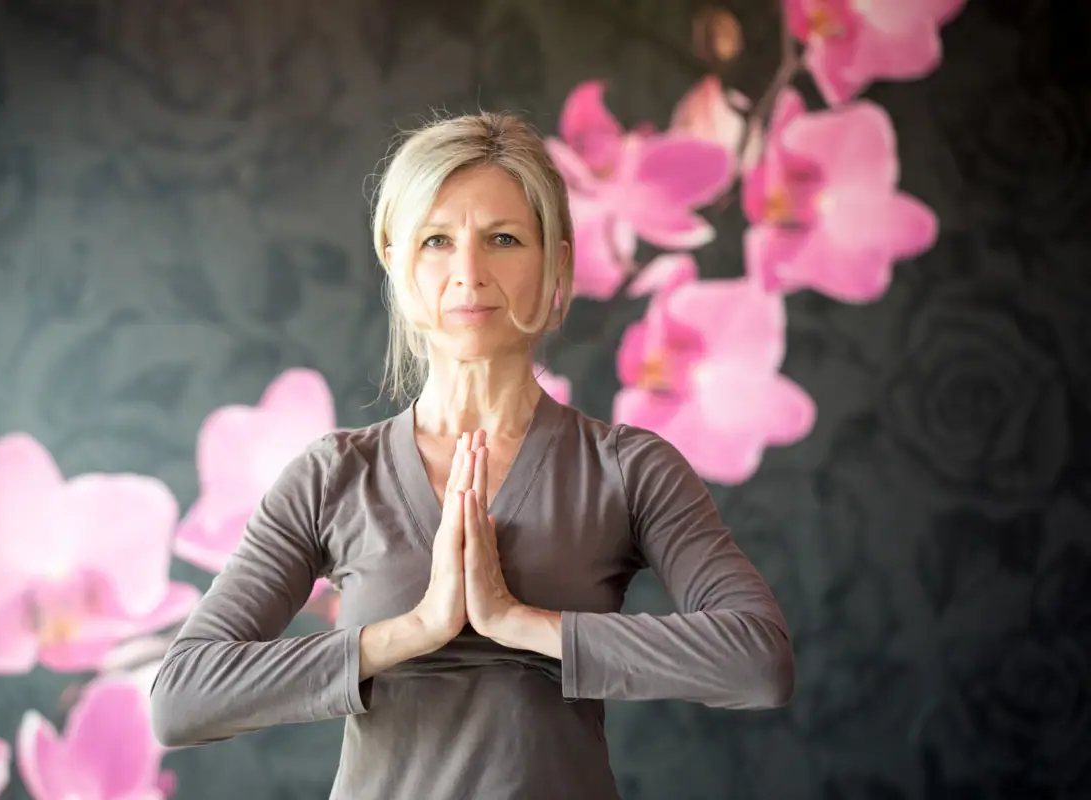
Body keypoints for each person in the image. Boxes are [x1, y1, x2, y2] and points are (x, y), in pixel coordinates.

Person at [149, 111, 794, 800]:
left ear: (556, 262)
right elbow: (183, 698)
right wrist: (414, 631)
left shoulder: (629, 469)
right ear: (394, 261)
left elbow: (757, 662)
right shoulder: (332, 476)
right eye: (435, 241)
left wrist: (521, 623)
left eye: (504, 239)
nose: (469, 273)